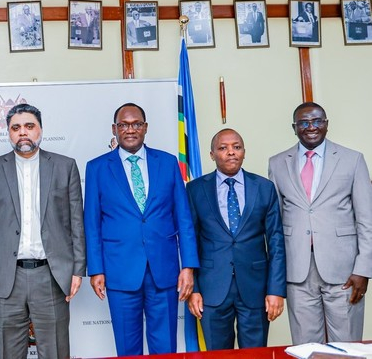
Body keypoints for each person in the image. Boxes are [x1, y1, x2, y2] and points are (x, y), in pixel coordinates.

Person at [84, 102, 198, 356]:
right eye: (123, 125)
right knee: (128, 349)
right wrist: (96, 269)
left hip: (164, 270)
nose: (130, 129)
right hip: (120, 271)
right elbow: (91, 224)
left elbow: (184, 218)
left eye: (136, 124)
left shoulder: (167, 163)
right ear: (114, 129)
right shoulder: (97, 168)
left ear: (145, 127)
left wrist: (188, 266)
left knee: (165, 348)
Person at [0, 104, 85, 359]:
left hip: (51, 275)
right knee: (10, 353)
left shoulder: (64, 166)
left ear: (40, 130)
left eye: (29, 126)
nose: (22, 132)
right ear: (9, 132)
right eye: (16, 128)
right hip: (6, 277)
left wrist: (78, 269)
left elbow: (76, 223)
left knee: (55, 352)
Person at [268, 102, 372, 344]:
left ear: (326, 124)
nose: (311, 127)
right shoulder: (277, 163)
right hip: (297, 270)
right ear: (294, 128)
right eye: (303, 123)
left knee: (346, 346)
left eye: (317, 121)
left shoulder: (352, 160)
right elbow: (274, 224)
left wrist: (363, 269)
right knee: (306, 347)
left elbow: (367, 220)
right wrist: (277, 274)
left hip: (345, 270)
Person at [186, 129, 286, 350]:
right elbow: (189, 242)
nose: (231, 152)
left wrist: (276, 290)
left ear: (244, 152)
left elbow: (276, 242)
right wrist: (194, 290)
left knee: (255, 355)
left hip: (255, 288)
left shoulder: (264, 187)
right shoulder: (195, 190)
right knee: (217, 355)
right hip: (211, 290)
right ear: (212, 154)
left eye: (237, 147)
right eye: (223, 148)